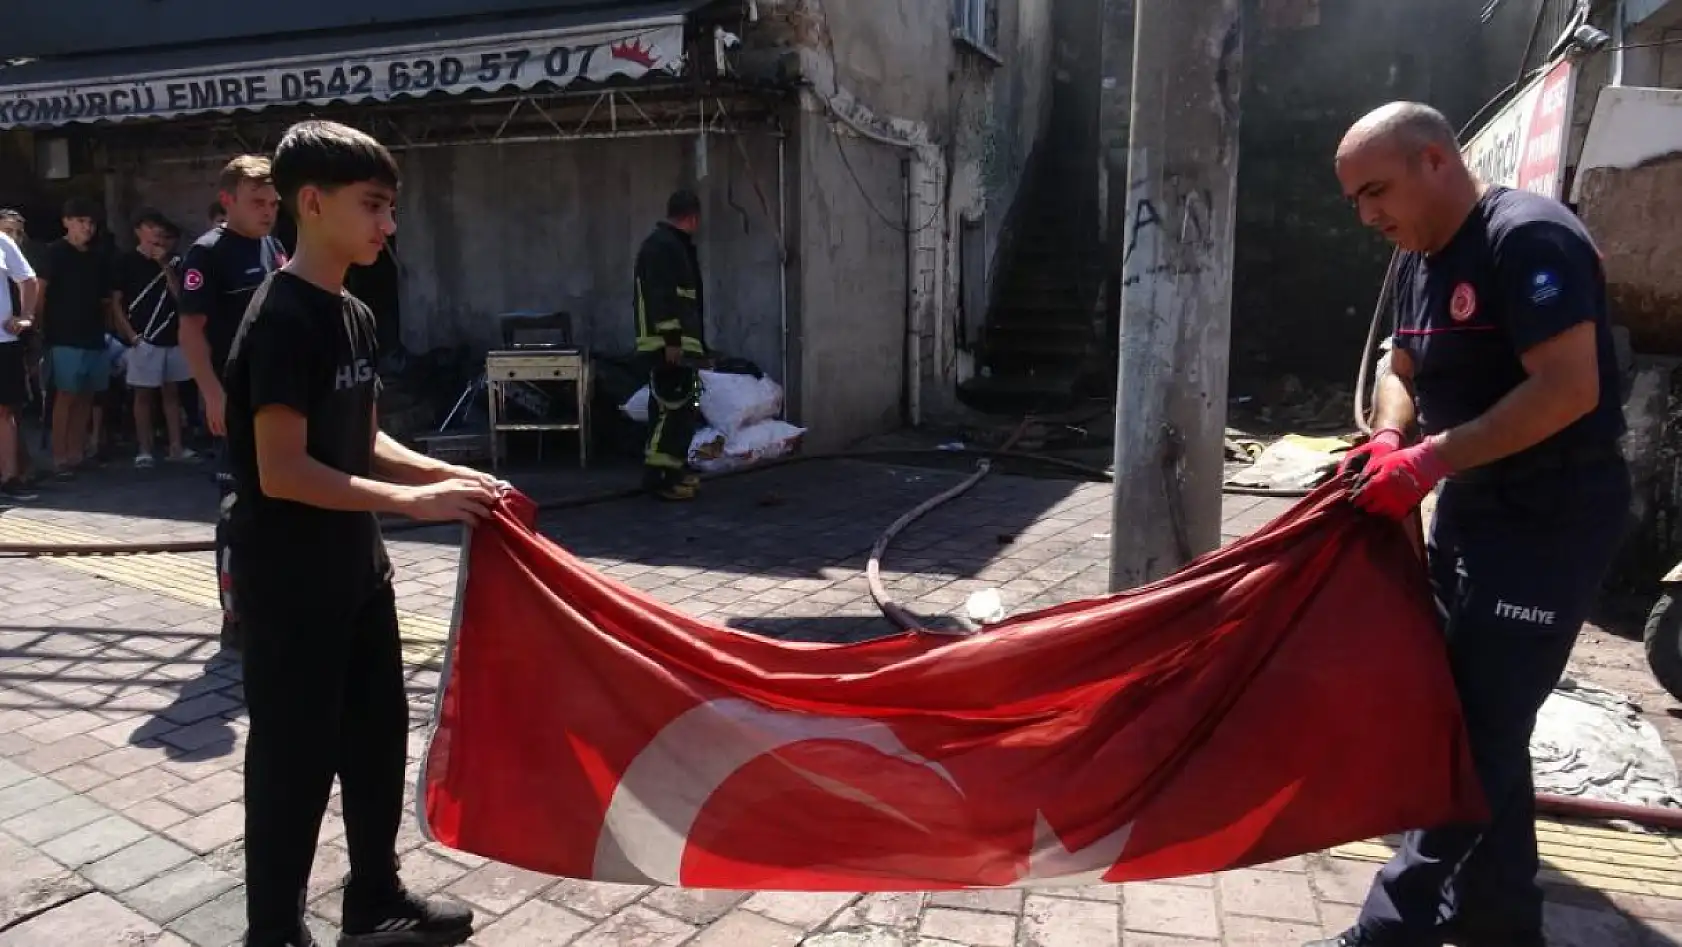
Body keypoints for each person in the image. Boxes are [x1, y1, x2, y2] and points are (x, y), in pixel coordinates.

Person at [1309, 103, 1632, 947]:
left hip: (1552, 520)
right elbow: (1401, 364)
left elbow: (1569, 389)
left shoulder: (1527, 239)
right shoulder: (1421, 257)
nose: (1367, 214)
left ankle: (1388, 929)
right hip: (1474, 513)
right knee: (1477, 717)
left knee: (1478, 728)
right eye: (1354, 201)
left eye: (1376, 190)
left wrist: (1429, 461)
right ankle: (1498, 919)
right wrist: (1389, 436)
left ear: (1435, 162)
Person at [224, 119, 495, 947]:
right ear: (312, 203)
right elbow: (284, 471)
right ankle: (273, 930)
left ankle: (373, 899)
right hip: (289, 584)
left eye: (391, 207)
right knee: (293, 764)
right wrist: (413, 507)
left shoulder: (354, 311)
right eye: (372, 205)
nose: (388, 225)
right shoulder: (281, 320)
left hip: (357, 573)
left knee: (377, 743)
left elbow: (362, 436)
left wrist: (442, 476)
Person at [179, 155, 284, 652]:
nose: (268, 211)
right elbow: (191, 332)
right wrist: (211, 393)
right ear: (228, 201)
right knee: (236, 509)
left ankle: (280, 601)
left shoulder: (275, 246)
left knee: (282, 501)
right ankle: (235, 615)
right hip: (233, 398)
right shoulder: (207, 254)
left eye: (273, 202)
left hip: (279, 396)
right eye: (257, 202)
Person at [633, 188, 708, 501]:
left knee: (682, 409)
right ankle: (660, 477)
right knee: (669, 408)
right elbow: (662, 297)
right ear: (692, 217)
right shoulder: (663, 247)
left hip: (677, 345)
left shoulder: (671, 245)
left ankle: (673, 470)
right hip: (666, 346)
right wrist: (672, 340)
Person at [36, 198, 114, 479]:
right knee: (65, 396)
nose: (87, 227)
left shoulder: (98, 256)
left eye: (91, 222)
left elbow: (106, 299)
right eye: (81, 221)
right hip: (63, 335)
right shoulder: (54, 253)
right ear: (67, 222)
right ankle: (59, 457)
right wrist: (39, 329)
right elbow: (40, 292)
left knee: (86, 396)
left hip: (93, 334)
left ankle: (76, 453)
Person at [112, 209, 196, 467]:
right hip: (143, 338)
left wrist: (164, 264)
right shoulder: (125, 261)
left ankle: (177, 446)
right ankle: (144, 449)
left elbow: (181, 297)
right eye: (150, 226)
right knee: (143, 396)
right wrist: (131, 336)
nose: (156, 232)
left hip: (172, 337)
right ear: (138, 231)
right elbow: (115, 303)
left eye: (159, 227)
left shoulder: (175, 261)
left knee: (172, 394)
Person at [0, 209, 40, 501]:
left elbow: (28, 279)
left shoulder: (3, 241)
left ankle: (9, 477)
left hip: (3, 340)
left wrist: (26, 316)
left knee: (4, 410)